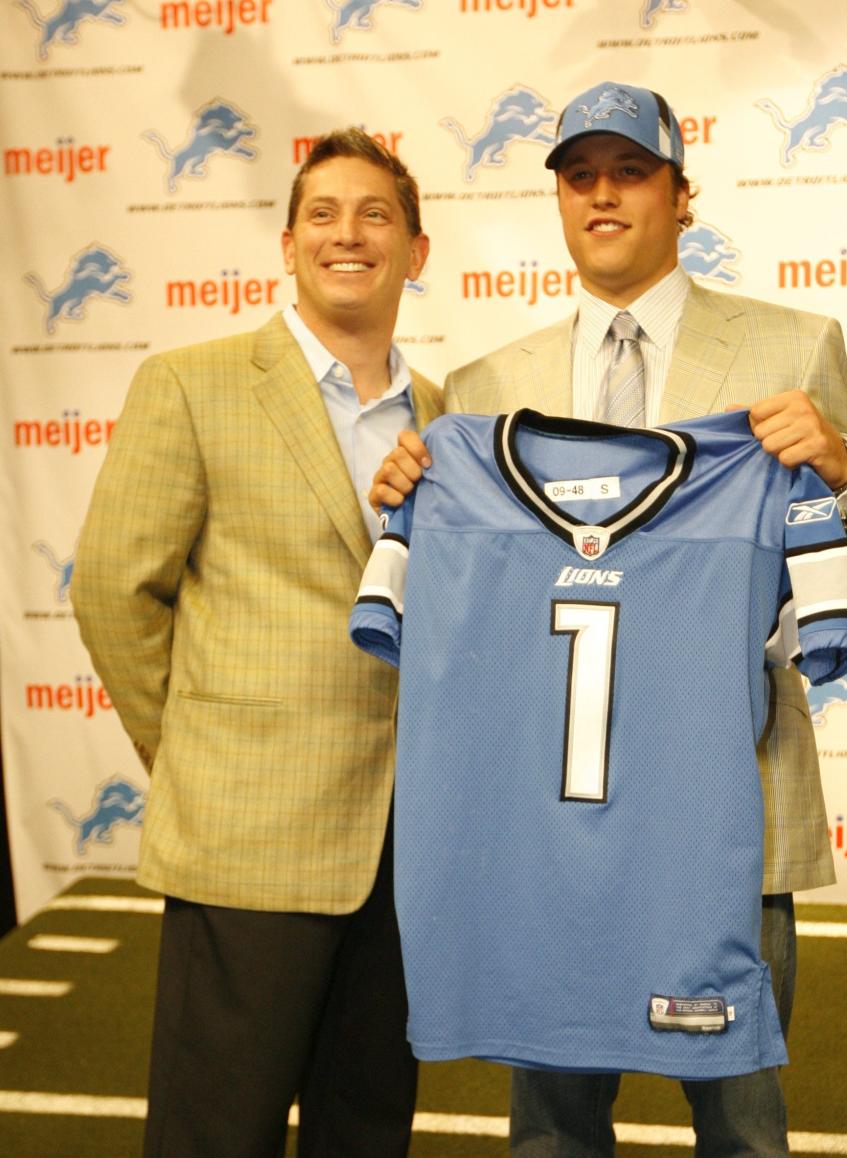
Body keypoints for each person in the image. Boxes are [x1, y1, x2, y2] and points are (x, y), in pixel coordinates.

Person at [369, 82, 847, 1157]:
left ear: (681, 196)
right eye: (579, 177)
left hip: (727, 808)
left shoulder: (794, 347)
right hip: (547, 822)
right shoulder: (479, 388)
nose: (601, 196)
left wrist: (839, 471)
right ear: (558, 202)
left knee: (743, 1126)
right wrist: (404, 489)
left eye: (629, 172)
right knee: (553, 1129)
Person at [72, 128, 441, 1158]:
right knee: (214, 1134)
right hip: (246, 837)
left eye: (376, 214)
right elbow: (112, 589)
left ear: (417, 251)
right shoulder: (193, 384)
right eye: (322, 214)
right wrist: (193, 754)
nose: (347, 233)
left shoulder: (449, 420)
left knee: (366, 1129)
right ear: (287, 245)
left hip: (402, 849)